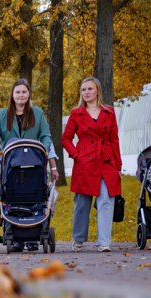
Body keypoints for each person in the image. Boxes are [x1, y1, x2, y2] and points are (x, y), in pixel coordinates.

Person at [0, 78, 58, 252]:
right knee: (11, 193)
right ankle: (15, 234)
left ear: (29, 94)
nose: (21, 95)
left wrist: (46, 149)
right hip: (11, 164)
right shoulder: (4, 114)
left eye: (24, 92)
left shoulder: (38, 113)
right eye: (17, 92)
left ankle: (33, 233)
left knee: (35, 193)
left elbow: (46, 135)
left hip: (33, 162)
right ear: (12, 94)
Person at [62, 76, 123, 253]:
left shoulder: (109, 112)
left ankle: (104, 242)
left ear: (97, 90)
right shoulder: (76, 113)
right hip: (85, 161)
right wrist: (76, 155)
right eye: (83, 90)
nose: (86, 92)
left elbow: (114, 139)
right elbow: (66, 138)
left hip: (106, 160)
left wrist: (118, 166)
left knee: (106, 199)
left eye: (90, 89)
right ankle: (78, 239)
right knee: (82, 202)